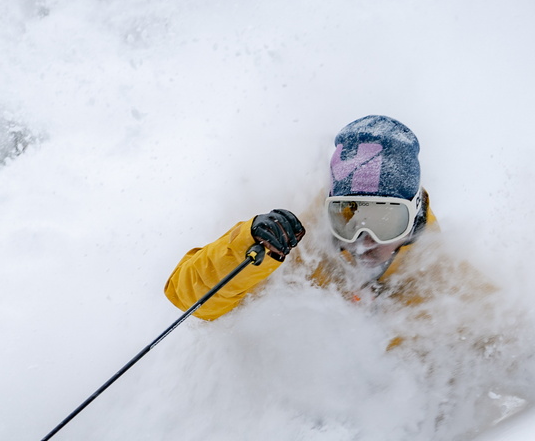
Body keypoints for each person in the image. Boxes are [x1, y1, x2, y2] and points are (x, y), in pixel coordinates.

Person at [164, 115, 497, 325]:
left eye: (385, 220)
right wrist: (247, 249)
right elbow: (191, 303)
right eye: (348, 217)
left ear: (414, 218)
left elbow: (518, 351)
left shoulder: (446, 282)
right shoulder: (298, 250)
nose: (364, 240)